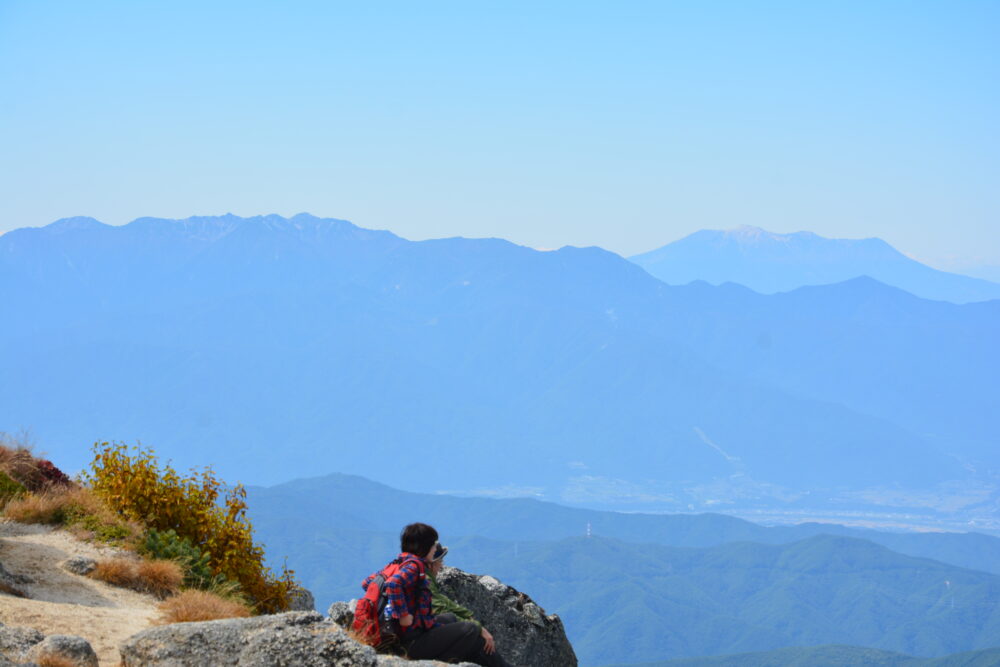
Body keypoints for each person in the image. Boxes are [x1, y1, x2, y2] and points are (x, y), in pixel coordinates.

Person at [367, 522, 509, 667]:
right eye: (433, 545)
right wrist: (403, 615)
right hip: (409, 642)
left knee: (451, 618)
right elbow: (394, 584)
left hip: (402, 635)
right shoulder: (414, 567)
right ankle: (440, 664)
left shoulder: (398, 563)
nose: (435, 548)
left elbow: (369, 583)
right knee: (470, 630)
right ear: (425, 548)